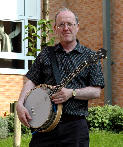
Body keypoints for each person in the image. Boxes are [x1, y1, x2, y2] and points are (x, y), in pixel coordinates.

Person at [16, 8, 105, 147]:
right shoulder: (45, 54)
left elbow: (96, 91)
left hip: (74, 127)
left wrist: (72, 93)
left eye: (70, 24)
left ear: (77, 27)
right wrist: (20, 104)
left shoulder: (90, 57)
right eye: (61, 25)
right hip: (44, 126)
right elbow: (31, 80)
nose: (66, 28)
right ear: (55, 29)